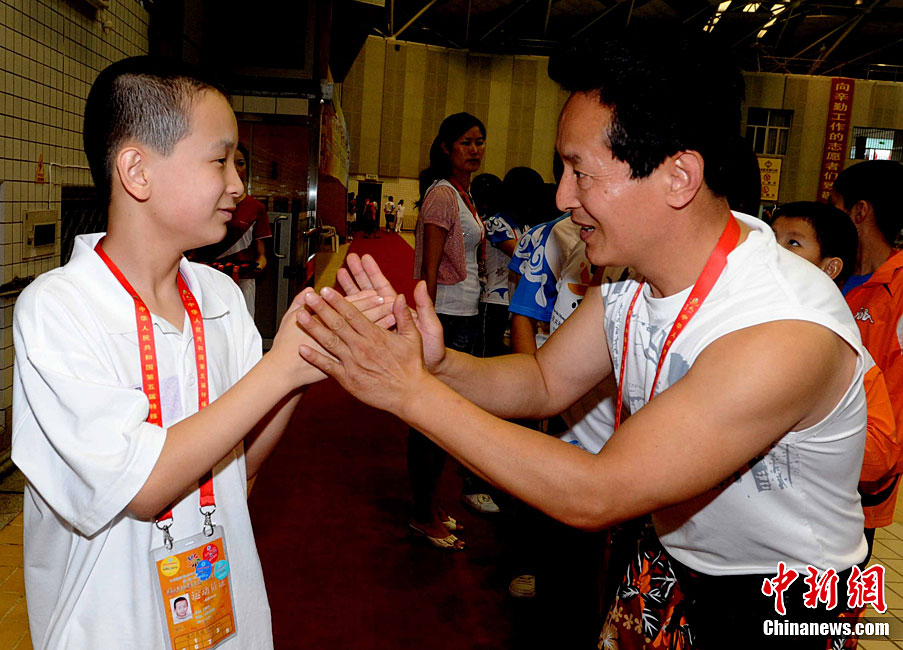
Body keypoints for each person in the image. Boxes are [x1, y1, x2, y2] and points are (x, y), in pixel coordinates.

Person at [295, 27, 868, 649]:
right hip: (672, 558)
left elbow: (596, 492)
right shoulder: (634, 282)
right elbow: (544, 379)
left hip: (788, 596)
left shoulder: (781, 329)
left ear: (679, 177)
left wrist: (410, 394)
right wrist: (436, 364)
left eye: (580, 171)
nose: (563, 195)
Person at [11, 56, 386, 649]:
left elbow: (242, 469)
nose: (239, 184)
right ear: (137, 171)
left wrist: (303, 363)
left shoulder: (218, 297)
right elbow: (142, 486)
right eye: (220, 160)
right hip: (109, 629)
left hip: (222, 617)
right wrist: (279, 368)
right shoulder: (59, 308)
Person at [408, 112, 488, 548]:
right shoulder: (442, 194)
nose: (475, 149)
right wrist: (430, 319)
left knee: (446, 417)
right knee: (432, 417)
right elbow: (431, 265)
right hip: (447, 314)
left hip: (466, 312)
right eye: (466, 142)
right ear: (446, 148)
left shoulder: (464, 193)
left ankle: (432, 504)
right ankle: (423, 513)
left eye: (479, 141)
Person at [189, 142, 271, 317]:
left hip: (243, 282)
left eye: (240, 163)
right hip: (206, 278)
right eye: (226, 162)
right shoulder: (205, 204)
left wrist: (256, 267)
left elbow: (262, 255)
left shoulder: (255, 208)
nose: (235, 169)